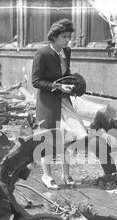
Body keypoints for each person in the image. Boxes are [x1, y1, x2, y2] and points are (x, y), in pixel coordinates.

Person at [32, 19, 87, 190]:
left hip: (64, 101)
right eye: (64, 37)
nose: (67, 40)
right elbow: (36, 81)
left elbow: (65, 72)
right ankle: (47, 175)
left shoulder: (66, 51)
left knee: (76, 135)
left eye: (68, 37)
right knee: (48, 139)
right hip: (48, 102)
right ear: (54, 37)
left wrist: (72, 82)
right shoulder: (42, 53)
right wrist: (56, 86)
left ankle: (66, 173)